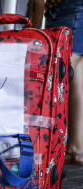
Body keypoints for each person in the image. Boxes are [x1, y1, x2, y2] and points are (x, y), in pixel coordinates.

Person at [44, 0, 83, 165]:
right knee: (75, 78)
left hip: (73, 7)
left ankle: (43, 144)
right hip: (57, 9)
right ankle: (77, 147)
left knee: (56, 76)